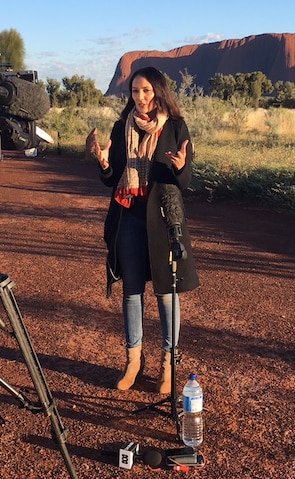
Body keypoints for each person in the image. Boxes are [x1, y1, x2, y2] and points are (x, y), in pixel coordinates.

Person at [86, 66, 199, 394]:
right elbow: (111, 177)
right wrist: (105, 163)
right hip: (128, 215)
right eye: (135, 91)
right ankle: (133, 361)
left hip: (162, 218)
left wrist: (181, 168)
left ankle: (169, 363)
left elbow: (185, 182)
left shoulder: (176, 127)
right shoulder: (122, 126)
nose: (141, 97)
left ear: (159, 92)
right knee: (131, 291)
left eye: (146, 91)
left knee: (166, 293)